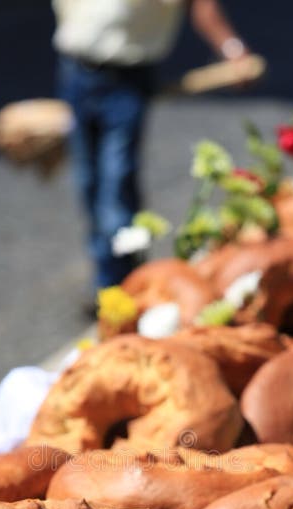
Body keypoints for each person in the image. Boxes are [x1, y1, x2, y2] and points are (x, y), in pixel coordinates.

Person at [51, 0, 257, 305]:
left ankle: (116, 289)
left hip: (126, 77)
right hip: (75, 68)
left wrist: (233, 50)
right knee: (88, 181)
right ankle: (115, 275)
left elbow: (203, 6)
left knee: (116, 183)